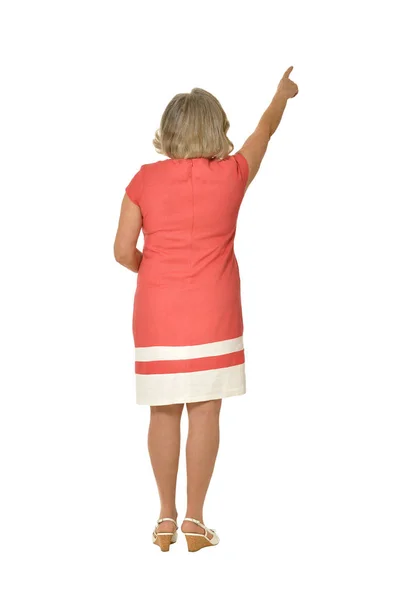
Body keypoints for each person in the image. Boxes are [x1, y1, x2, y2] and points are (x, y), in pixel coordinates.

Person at [114, 66, 298, 552]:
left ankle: (164, 518)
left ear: (168, 130)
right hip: (215, 314)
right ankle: (195, 520)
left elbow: (121, 251)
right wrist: (282, 95)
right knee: (206, 412)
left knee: (163, 411)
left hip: (157, 315)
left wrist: (153, 271)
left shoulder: (144, 180)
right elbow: (264, 131)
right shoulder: (234, 175)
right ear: (215, 129)